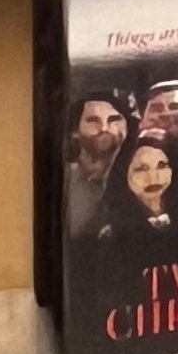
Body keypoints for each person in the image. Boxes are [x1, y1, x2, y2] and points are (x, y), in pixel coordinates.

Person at [62, 89, 134, 243]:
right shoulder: (63, 179)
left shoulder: (141, 174)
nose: (104, 128)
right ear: (75, 131)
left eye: (114, 119)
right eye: (93, 121)